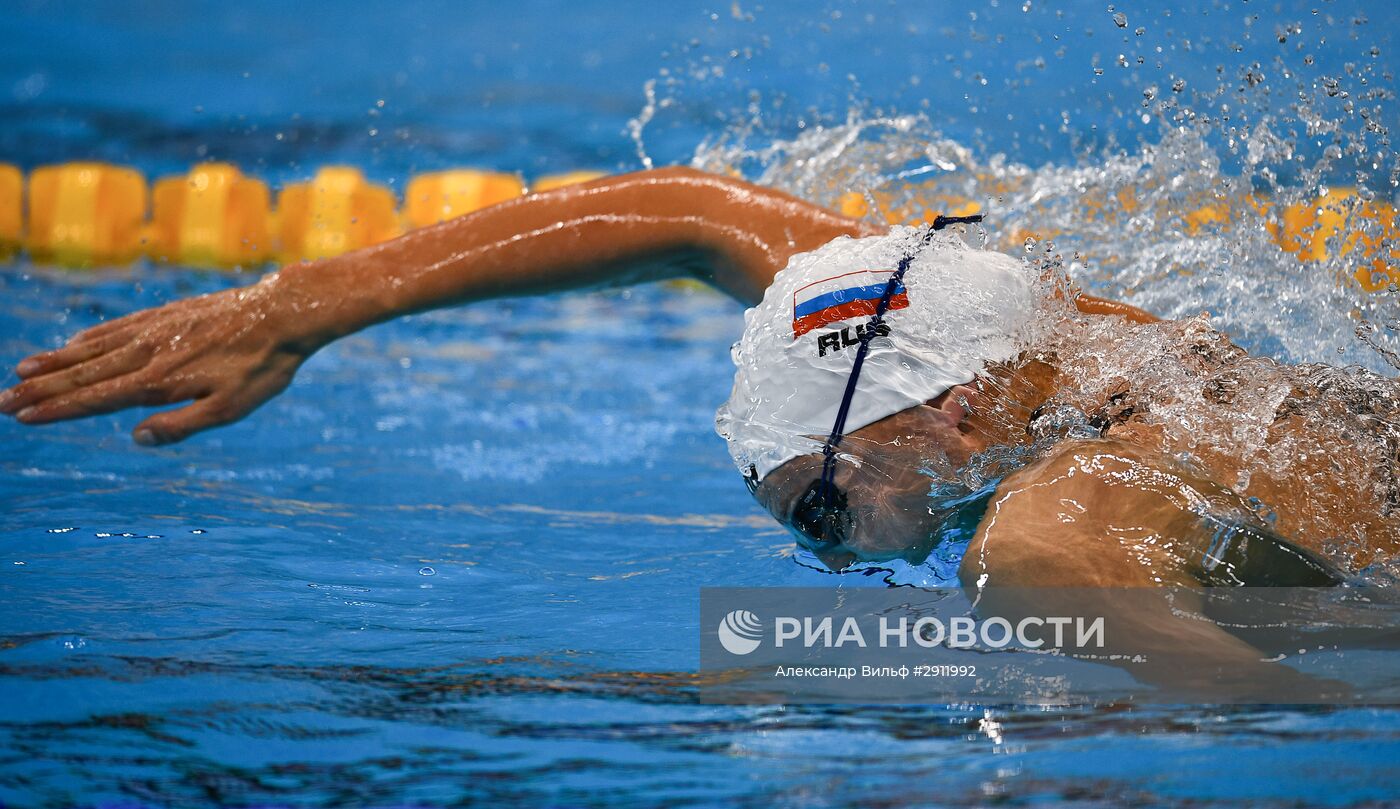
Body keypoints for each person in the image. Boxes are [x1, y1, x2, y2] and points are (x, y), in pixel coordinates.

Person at [2, 167, 1391, 590]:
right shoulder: (1039, 337)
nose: (838, 567)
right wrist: (307, 300)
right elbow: (688, 216)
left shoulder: (1044, 529)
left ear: (949, 409)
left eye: (823, 518)